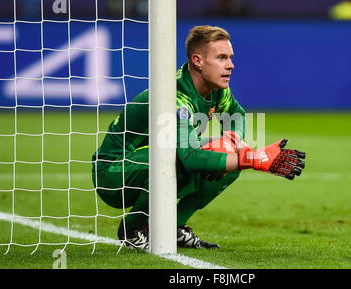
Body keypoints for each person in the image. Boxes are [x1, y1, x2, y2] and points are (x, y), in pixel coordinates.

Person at [92, 25, 306, 251]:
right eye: (222, 57)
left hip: (147, 161)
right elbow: (190, 157)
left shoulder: (216, 89)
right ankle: (133, 228)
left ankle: (173, 225)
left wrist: (232, 138)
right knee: (175, 158)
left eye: (230, 57)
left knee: (225, 152)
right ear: (198, 61)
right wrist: (252, 159)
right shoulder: (174, 97)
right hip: (113, 174)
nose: (230, 65)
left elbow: (236, 114)